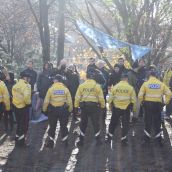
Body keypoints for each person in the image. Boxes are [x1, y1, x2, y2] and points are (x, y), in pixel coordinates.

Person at [138, 68, 172, 147]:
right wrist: (165, 102)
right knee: (157, 122)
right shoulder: (161, 84)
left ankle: (146, 139)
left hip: (148, 104)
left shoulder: (145, 84)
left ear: (149, 76)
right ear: (156, 76)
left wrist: (142, 102)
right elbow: (169, 94)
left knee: (148, 121)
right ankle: (158, 139)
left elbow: (140, 95)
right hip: (158, 105)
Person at [74, 69, 105, 147]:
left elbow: (77, 97)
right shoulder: (97, 86)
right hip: (94, 107)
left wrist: (75, 107)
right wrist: (103, 107)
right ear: (94, 78)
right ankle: (98, 140)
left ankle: (81, 140)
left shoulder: (81, 86)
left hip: (84, 107)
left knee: (83, 123)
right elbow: (101, 98)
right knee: (95, 123)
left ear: (86, 77)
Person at [42, 74, 73, 148]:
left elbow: (46, 101)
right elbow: (69, 101)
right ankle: (65, 142)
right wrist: (70, 110)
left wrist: (44, 109)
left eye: (54, 79)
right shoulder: (65, 89)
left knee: (52, 126)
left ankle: (51, 143)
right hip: (63, 110)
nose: (53, 80)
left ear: (56, 80)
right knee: (64, 126)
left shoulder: (51, 89)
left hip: (53, 110)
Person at [106, 73, 136, 145]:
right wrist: (133, 110)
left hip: (116, 108)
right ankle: (124, 140)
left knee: (113, 123)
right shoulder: (130, 88)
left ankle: (109, 138)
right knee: (125, 124)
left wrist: (110, 107)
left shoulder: (115, 87)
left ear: (121, 79)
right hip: (126, 109)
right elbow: (133, 100)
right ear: (127, 79)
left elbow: (110, 99)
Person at [12, 71, 31, 147]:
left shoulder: (16, 85)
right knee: (24, 125)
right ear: (25, 78)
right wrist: (29, 103)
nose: (29, 79)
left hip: (16, 106)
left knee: (19, 123)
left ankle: (17, 138)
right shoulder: (27, 86)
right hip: (23, 107)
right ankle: (21, 143)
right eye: (28, 78)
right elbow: (26, 97)